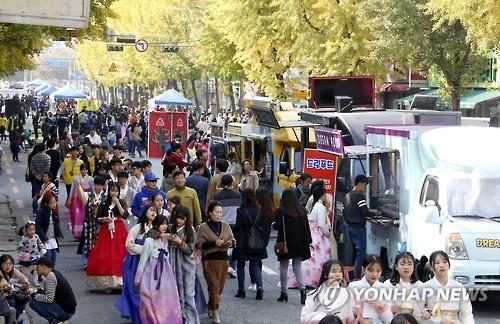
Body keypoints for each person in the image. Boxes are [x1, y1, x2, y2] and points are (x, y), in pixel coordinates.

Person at [134, 215, 183, 324]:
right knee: (148, 296)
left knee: (165, 298)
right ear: (156, 225)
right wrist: (138, 278)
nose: (164, 226)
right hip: (151, 272)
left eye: (166, 224)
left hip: (165, 273)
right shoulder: (149, 240)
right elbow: (143, 259)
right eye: (161, 224)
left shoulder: (165, 240)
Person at [115, 205, 157, 324]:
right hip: (135, 262)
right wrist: (144, 249)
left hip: (152, 262)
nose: (153, 212)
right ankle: (138, 316)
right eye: (151, 210)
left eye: (155, 211)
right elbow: (129, 244)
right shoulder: (137, 228)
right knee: (135, 289)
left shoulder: (157, 229)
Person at [195, 201, 235, 324]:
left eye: (220, 212)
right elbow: (198, 244)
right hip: (209, 260)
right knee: (213, 287)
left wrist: (230, 243)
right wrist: (213, 243)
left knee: (220, 288)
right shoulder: (203, 227)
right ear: (210, 213)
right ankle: (216, 312)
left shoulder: (226, 226)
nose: (219, 215)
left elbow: (233, 240)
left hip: (223, 260)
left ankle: (211, 305)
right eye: (216, 212)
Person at [86, 182, 129, 292]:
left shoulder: (122, 201)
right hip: (106, 230)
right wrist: (103, 219)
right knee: (105, 254)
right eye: (112, 190)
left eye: (116, 191)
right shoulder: (104, 203)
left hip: (119, 229)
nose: (114, 193)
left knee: (120, 254)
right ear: (108, 191)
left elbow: (125, 215)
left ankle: (121, 282)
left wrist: (118, 203)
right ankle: (108, 283)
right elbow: (97, 218)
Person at [273, 188, 312, 305]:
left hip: (285, 242)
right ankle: (303, 290)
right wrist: (309, 240)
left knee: (284, 267)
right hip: (300, 243)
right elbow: (307, 228)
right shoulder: (302, 211)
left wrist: (274, 224)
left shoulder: (281, 212)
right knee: (297, 267)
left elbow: (277, 227)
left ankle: (283, 292)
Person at [233, 188, 272, 300]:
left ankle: (241, 289)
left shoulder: (240, 210)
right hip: (256, 240)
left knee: (240, 265)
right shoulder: (259, 209)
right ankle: (259, 286)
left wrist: (233, 235)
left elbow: (238, 226)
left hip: (242, 240)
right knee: (255, 263)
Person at [291, 186, 332, 288]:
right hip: (318, 235)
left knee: (309, 259)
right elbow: (322, 224)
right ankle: (313, 280)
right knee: (318, 258)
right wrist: (328, 234)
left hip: (311, 232)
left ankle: (303, 279)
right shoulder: (321, 207)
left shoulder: (314, 205)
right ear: (322, 195)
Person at [167, 205, 200, 324]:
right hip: (172, 261)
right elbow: (152, 232)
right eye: (177, 217)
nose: (179, 220)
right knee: (174, 293)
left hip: (186, 263)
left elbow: (190, 250)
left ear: (186, 218)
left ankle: (191, 320)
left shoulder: (190, 230)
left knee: (188, 293)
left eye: (182, 218)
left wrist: (179, 242)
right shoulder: (170, 227)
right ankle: (177, 319)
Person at [421, 251, 474, 324]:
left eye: (445, 262)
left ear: (449, 265)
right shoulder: (425, 287)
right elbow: (418, 313)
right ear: (431, 267)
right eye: (437, 263)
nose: (441, 265)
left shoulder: (458, 287)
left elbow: (466, 314)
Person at [343, 175, 377, 277]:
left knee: (354, 252)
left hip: (349, 227)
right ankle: (357, 275)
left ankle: (352, 275)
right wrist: (375, 213)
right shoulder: (359, 196)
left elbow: (344, 212)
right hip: (358, 227)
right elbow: (365, 212)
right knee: (361, 252)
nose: (365, 188)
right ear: (359, 184)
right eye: (365, 185)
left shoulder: (347, 195)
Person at [300, 259, 355, 324]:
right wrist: (325, 317)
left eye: (340, 272)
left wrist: (354, 315)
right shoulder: (315, 294)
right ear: (325, 274)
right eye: (334, 272)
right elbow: (304, 317)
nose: (338, 275)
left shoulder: (348, 294)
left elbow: (351, 319)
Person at [27, 257, 77, 324]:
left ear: (43, 267)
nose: (36, 269)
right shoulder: (53, 273)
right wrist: (37, 291)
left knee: (33, 303)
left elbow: (49, 298)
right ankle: (57, 319)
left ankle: (55, 320)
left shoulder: (51, 277)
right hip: (68, 309)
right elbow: (49, 292)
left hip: (66, 312)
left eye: (37, 266)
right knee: (36, 299)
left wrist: (34, 295)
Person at [348, 254, 392, 323]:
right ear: (363, 269)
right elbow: (348, 312)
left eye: (378, 271)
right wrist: (360, 319)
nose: (374, 274)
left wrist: (382, 306)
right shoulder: (353, 286)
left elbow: (389, 320)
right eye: (370, 270)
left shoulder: (384, 288)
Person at [76, 176, 107, 269]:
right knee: (87, 243)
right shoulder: (88, 195)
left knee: (99, 243)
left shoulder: (105, 198)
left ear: (103, 186)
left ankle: (98, 261)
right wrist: (79, 186)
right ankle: (86, 262)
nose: (98, 187)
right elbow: (80, 193)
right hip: (89, 223)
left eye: (100, 185)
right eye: (97, 185)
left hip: (100, 224)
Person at [214, 174, 241, 278]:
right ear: (231, 183)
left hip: (222, 224)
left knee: (222, 246)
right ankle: (232, 266)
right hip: (235, 223)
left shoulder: (217, 196)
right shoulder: (238, 195)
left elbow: (215, 211)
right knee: (233, 245)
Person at [384, 252, 423, 317]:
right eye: (402, 264)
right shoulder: (388, 285)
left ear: (414, 267)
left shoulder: (420, 286)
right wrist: (390, 309)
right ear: (396, 266)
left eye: (409, 264)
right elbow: (382, 307)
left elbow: (422, 308)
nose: (406, 267)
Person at [35, 195, 63, 268]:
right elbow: (38, 227)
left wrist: (59, 234)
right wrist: (44, 238)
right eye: (52, 203)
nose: (54, 204)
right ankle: (44, 272)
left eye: (55, 202)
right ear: (46, 204)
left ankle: (51, 272)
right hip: (45, 239)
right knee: (48, 257)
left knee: (53, 257)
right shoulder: (41, 212)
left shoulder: (54, 213)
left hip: (53, 239)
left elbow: (56, 224)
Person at [0, 254, 30, 322]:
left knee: (23, 300)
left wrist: (26, 282)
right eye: (5, 263)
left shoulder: (13, 270)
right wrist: (9, 287)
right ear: (0, 264)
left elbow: (22, 277)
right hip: (2, 298)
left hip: (6, 294)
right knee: (12, 302)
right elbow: (4, 283)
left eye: (10, 264)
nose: (8, 266)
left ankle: (17, 320)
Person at [67, 164, 93, 240]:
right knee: (78, 215)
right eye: (83, 169)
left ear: (88, 170)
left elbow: (92, 189)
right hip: (78, 200)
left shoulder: (91, 179)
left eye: (86, 169)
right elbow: (72, 189)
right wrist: (70, 198)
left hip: (87, 198)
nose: (84, 171)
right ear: (80, 170)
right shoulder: (76, 179)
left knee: (86, 215)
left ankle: (86, 233)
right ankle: (78, 234)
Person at [18, 221, 46, 286]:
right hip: (26, 257)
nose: (32, 231)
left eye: (33, 230)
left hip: (35, 256)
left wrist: (43, 248)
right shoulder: (24, 237)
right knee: (26, 271)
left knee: (36, 270)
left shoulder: (36, 236)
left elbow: (40, 243)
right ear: (26, 230)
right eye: (30, 230)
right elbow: (19, 245)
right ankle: (25, 281)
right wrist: (21, 246)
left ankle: (35, 281)